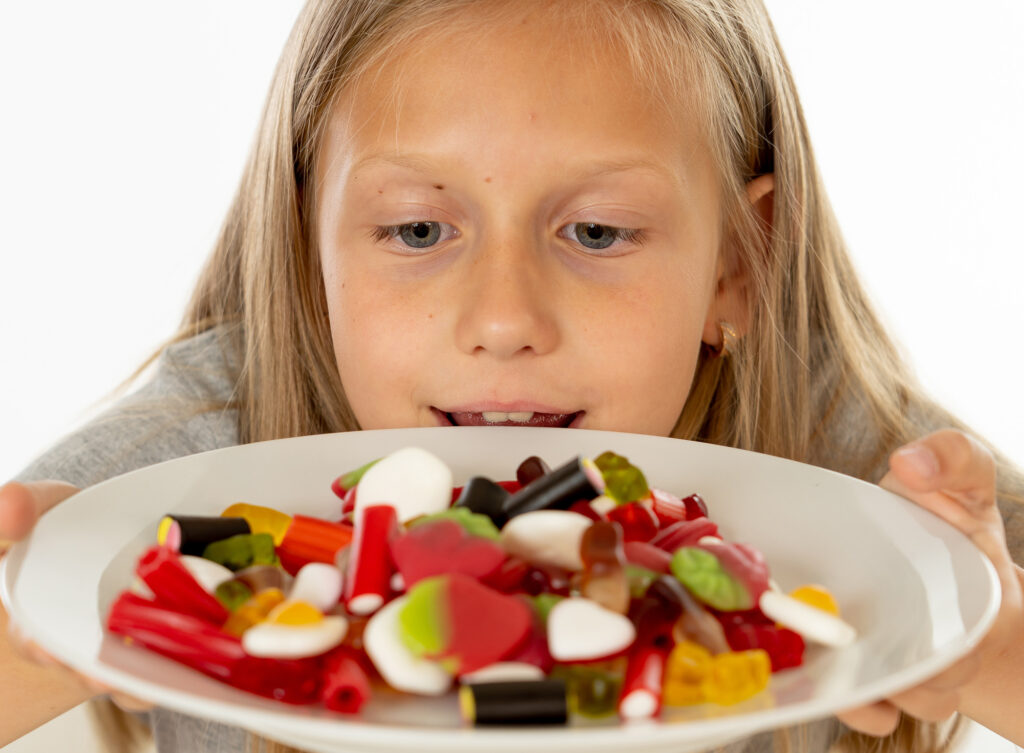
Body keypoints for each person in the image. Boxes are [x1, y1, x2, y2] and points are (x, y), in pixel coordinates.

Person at [1, 0, 1021, 751]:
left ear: (734, 266)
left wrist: (987, 643)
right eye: (413, 229)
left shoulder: (864, 484)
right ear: (305, 252)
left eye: (597, 231)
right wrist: (31, 641)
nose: (501, 322)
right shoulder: (180, 473)